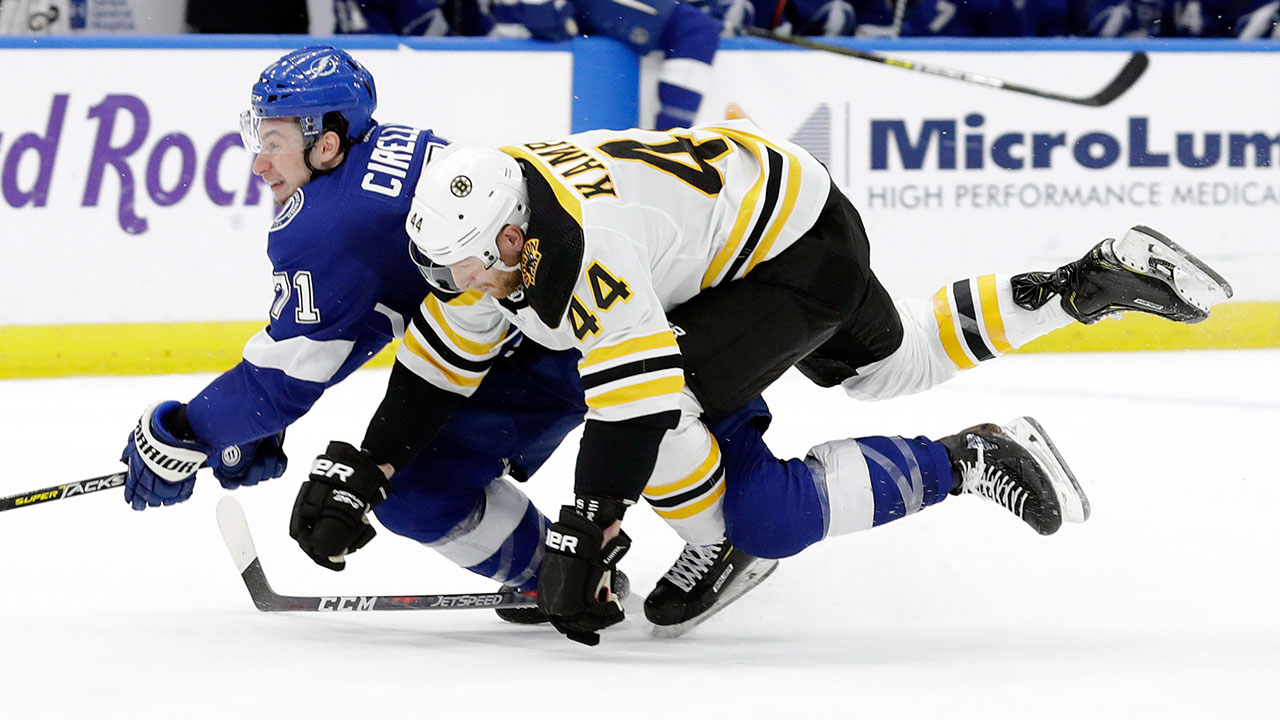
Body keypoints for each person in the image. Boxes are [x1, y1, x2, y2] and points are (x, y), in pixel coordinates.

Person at [305, 122, 1231, 644]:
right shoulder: (490, 233)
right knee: (893, 367)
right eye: (450, 273)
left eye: (473, 271)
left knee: (704, 460)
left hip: (788, 254)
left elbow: (630, 410)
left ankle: (943, 467)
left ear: (513, 238)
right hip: (774, 206)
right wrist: (366, 468)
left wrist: (589, 529)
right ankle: (1075, 288)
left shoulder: (589, 250)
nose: (464, 290)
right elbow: (436, 367)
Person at [116, 45, 597, 621]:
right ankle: (575, 566)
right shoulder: (384, 145)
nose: (259, 164)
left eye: (273, 144)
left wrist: (183, 434)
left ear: (324, 144)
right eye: (258, 140)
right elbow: (361, 325)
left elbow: (282, 380)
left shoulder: (328, 225)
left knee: (415, 491)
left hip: (548, 348)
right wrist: (256, 425)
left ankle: (558, 571)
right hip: (568, 320)